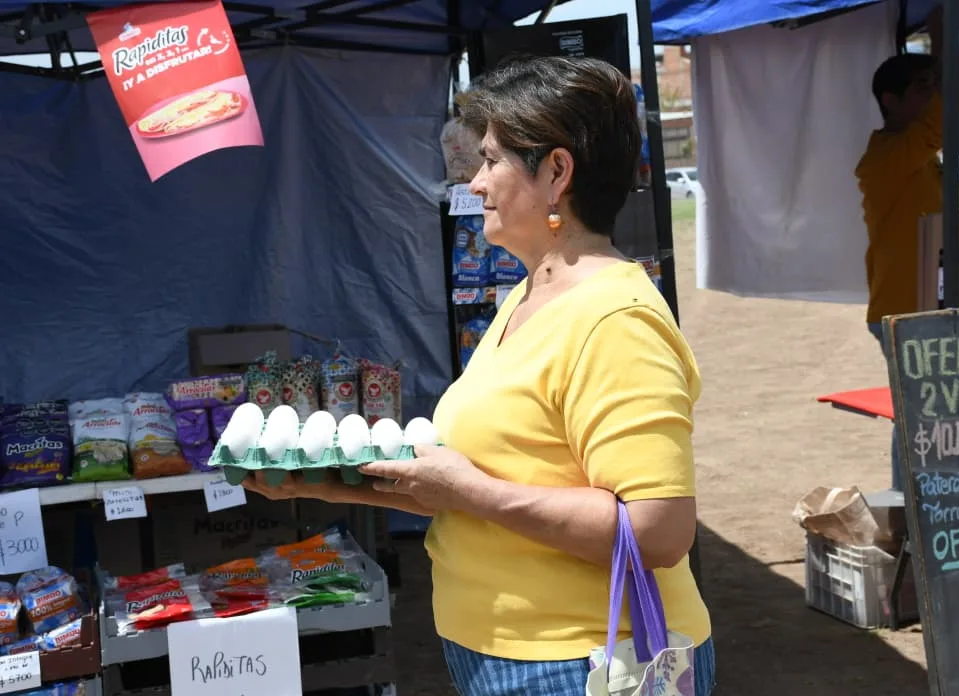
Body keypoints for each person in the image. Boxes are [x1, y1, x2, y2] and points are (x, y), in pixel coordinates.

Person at [243, 56, 715, 696]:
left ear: (555, 172)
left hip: (582, 662)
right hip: (503, 656)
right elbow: (474, 484)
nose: (475, 182)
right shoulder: (526, 298)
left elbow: (659, 531)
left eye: (491, 160)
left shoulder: (613, 319)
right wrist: (324, 484)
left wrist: (470, 491)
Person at [855, 0, 959, 490]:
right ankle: (913, 514)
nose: (933, 97)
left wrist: (950, 37)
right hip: (906, 312)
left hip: (935, 305)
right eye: (922, 89)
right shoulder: (887, 156)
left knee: (939, 421)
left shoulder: (918, 157)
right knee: (918, 424)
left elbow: (940, 110)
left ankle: (932, 508)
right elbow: (944, 115)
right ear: (890, 99)